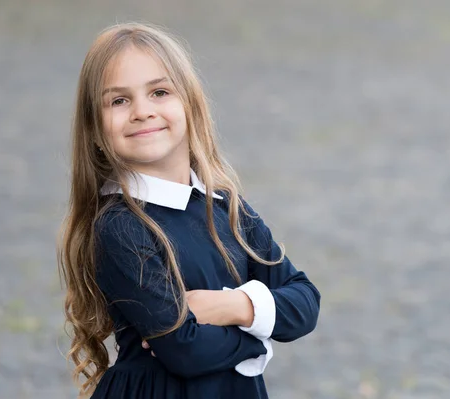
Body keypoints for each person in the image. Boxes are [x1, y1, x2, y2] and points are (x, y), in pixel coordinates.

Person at [58, 22, 321, 399]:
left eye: (160, 92)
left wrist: (233, 306)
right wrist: (258, 341)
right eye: (119, 100)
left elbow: (306, 301)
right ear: (96, 130)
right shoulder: (120, 227)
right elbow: (186, 349)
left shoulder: (227, 209)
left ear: (191, 104)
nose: (142, 111)